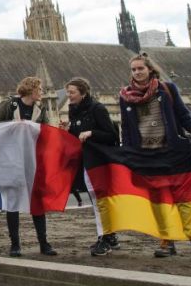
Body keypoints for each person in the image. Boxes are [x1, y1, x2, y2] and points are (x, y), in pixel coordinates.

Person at [119, 53, 191, 264]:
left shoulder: (167, 89)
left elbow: (183, 114)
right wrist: (128, 153)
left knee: (186, 201)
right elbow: (127, 129)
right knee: (159, 202)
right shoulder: (125, 96)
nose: (137, 72)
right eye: (134, 69)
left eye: (140, 68)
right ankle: (167, 241)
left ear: (150, 69)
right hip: (147, 156)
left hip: (173, 152)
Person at [0, 77, 56, 257]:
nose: (42, 92)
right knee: (12, 202)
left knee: (37, 201)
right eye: (40, 89)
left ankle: (44, 243)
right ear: (31, 90)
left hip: (33, 159)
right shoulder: (10, 105)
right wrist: (13, 125)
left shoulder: (40, 109)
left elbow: (47, 131)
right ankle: (15, 244)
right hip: (11, 159)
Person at [59, 77, 120, 256]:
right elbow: (77, 136)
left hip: (100, 161)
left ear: (83, 93)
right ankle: (110, 236)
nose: (69, 96)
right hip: (86, 161)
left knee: (101, 200)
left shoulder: (97, 108)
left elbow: (111, 135)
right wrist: (68, 130)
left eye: (72, 92)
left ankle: (105, 237)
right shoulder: (73, 110)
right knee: (96, 200)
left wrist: (92, 132)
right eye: (68, 92)